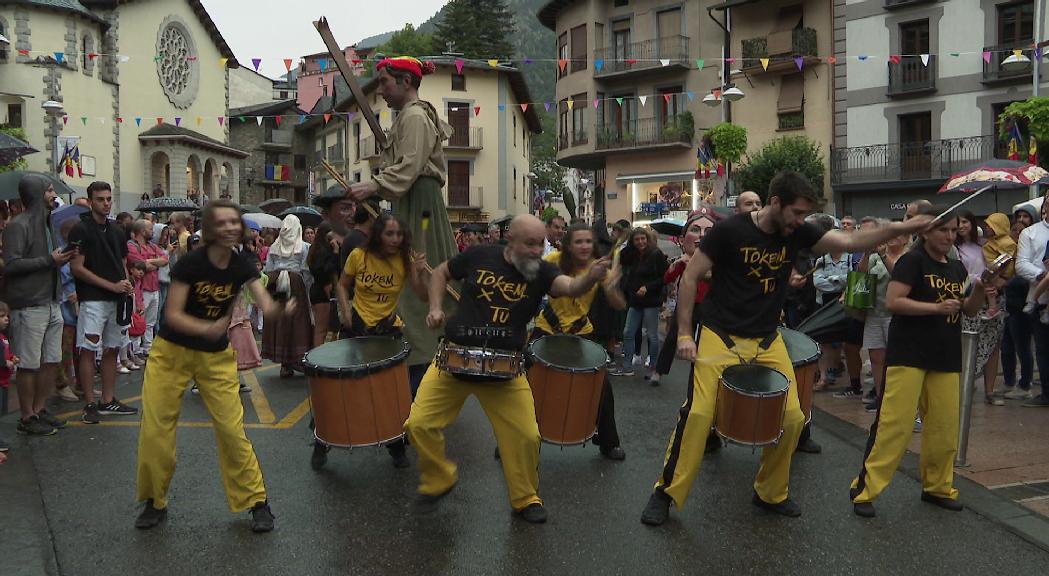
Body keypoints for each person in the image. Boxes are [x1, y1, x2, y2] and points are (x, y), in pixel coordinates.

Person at [640, 171, 932, 527]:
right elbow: (690, 277)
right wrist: (685, 334)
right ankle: (665, 493)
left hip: (767, 337)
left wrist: (901, 229)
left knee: (794, 419)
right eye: (795, 212)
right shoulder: (729, 232)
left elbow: (851, 242)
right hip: (720, 334)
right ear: (774, 202)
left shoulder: (799, 232)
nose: (800, 221)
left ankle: (770, 492)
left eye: (804, 214)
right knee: (699, 415)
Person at [406, 215, 610, 524]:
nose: (536, 250)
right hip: (454, 361)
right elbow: (440, 274)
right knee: (417, 424)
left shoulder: (541, 271)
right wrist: (435, 308)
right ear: (510, 241)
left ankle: (525, 497)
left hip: (505, 368)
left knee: (528, 436)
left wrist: (590, 277)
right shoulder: (480, 255)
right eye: (529, 243)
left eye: (540, 243)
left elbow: (570, 286)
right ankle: (439, 478)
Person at [135, 200, 292, 532]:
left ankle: (257, 502)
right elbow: (174, 314)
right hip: (171, 352)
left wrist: (281, 307)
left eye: (234, 222)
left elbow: (263, 302)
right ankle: (153, 501)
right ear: (208, 229)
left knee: (232, 431)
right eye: (221, 223)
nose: (230, 227)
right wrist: (206, 328)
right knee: (156, 431)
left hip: (216, 358)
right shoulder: (190, 264)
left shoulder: (243, 265)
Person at [850, 209, 988, 518]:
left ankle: (938, 487)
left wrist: (979, 290)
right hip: (909, 355)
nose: (949, 236)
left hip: (946, 356)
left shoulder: (956, 267)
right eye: (943, 230)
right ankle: (865, 489)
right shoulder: (912, 262)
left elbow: (970, 310)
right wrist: (936, 308)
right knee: (894, 426)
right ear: (925, 232)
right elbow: (894, 302)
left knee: (943, 429)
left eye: (953, 231)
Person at [346, 56, 459, 393]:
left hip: (418, 200)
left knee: (418, 280)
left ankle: (423, 372)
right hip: (410, 198)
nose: (380, 91)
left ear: (406, 82)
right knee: (407, 277)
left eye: (385, 82)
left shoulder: (413, 117)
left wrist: (374, 184)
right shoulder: (409, 118)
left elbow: (409, 167)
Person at [533, 223, 627, 460]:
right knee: (521, 384)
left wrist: (612, 285)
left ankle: (608, 442)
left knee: (602, 386)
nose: (585, 246)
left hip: (580, 331)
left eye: (588, 241)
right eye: (579, 242)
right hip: (547, 328)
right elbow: (552, 289)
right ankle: (511, 440)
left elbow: (619, 305)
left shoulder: (599, 265)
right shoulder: (553, 260)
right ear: (568, 246)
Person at [1, 175, 76, 435]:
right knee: (30, 363)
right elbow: (11, 265)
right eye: (49, 190)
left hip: (51, 301)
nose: (53, 195)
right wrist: (49, 260)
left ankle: (39, 408)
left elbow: (49, 261)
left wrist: (64, 258)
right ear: (37, 194)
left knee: (51, 360)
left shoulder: (47, 223)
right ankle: (26, 415)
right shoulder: (17, 226)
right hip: (29, 304)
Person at [69, 181, 138, 423]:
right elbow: (77, 268)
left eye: (108, 199)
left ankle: (108, 400)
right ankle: (89, 404)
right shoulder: (81, 230)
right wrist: (112, 286)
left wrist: (127, 286)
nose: (106, 203)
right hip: (93, 300)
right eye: (100, 199)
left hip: (117, 299)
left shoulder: (117, 230)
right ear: (90, 201)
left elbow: (121, 262)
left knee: (112, 349)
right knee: (88, 350)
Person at [955, 210, 1009, 407]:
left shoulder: (985, 244)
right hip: (969, 296)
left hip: (992, 295)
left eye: (964, 222)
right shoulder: (954, 249)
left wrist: (999, 281)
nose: (961, 226)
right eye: (957, 223)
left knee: (994, 344)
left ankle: (990, 390)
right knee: (967, 343)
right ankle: (965, 385)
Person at [857, 219, 906, 413]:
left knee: (895, 358)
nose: (892, 237)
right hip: (874, 312)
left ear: (906, 238)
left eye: (897, 234)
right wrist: (868, 252)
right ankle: (880, 396)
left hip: (894, 314)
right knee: (876, 357)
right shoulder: (876, 256)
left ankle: (896, 397)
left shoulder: (907, 256)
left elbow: (899, 275)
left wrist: (885, 256)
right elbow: (861, 273)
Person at [261, 215, 313, 378]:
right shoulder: (304, 247)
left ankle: (285, 363)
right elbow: (306, 270)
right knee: (298, 321)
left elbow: (268, 268)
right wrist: (308, 289)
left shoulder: (275, 247)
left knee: (281, 321)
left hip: (277, 282)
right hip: (296, 282)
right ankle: (299, 359)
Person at [617, 227, 668, 381]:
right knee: (628, 332)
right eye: (637, 239)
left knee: (652, 335)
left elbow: (664, 277)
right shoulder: (632, 254)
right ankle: (627, 366)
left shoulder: (656, 254)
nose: (640, 242)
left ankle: (653, 367)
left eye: (643, 239)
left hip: (651, 300)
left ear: (647, 239)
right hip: (635, 299)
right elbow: (621, 258)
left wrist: (648, 287)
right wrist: (628, 245)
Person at [1013, 190, 1049, 407]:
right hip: (1042, 296)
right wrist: (1041, 274)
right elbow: (1021, 264)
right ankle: (1046, 392)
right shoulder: (1031, 234)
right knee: (1043, 348)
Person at [126, 219, 167, 358]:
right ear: (142, 231)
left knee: (151, 321)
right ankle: (135, 350)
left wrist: (149, 262)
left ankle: (148, 348)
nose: (153, 232)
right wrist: (154, 263)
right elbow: (140, 266)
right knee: (138, 320)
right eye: (150, 229)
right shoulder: (132, 246)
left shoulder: (152, 246)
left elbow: (165, 259)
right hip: (141, 289)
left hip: (154, 288)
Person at [306, 223, 341, 348]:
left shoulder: (314, 248)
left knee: (322, 328)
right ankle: (317, 358)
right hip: (324, 290)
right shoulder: (325, 250)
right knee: (322, 329)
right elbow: (327, 270)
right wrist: (336, 252)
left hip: (316, 289)